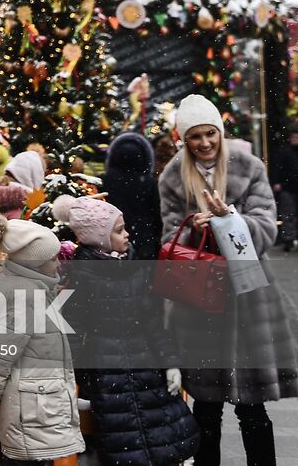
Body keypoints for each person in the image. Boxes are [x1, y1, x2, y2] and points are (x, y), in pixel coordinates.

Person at [159, 94, 298, 466]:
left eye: (210, 134)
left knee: (252, 408)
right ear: (183, 139)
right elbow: (170, 236)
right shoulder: (173, 176)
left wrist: (230, 219)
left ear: (220, 132)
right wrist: (194, 229)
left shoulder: (249, 166)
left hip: (248, 296)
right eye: (195, 137)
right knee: (206, 406)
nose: (204, 143)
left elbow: (267, 228)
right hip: (199, 298)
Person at [52, 194, 199, 465]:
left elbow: (153, 321)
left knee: (163, 437)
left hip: (147, 368)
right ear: (99, 238)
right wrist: (68, 376)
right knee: (124, 441)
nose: (128, 234)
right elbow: (71, 330)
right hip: (107, 375)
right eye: (119, 230)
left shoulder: (134, 269)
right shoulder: (81, 277)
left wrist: (170, 362)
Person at [0, 215, 86, 466]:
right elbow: (0, 352)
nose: (58, 263)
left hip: (35, 400)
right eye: (52, 258)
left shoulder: (34, 290)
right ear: (34, 264)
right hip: (31, 402)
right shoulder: (25, 297)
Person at [100, 132, 163, 261]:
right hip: (143, 239)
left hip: (112, 237)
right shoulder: (148, 182)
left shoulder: (104, 180)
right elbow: (157, 213)